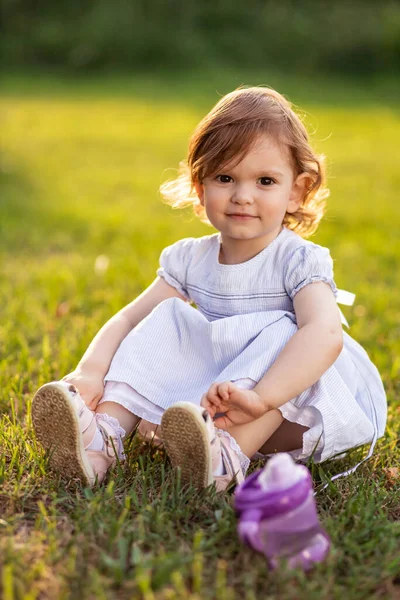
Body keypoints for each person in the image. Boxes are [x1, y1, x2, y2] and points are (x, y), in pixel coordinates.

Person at [31, 87, 387, 491]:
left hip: (292, 407)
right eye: (225, 177)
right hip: (216, 402)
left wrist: (262, 398)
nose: (242, 195)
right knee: (162, 316)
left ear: (296, 191)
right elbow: (131, 318)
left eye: (265, 181)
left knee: (288, 330)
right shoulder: (190, 260)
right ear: (200, 186)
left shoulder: (298, 261)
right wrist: (90, 372)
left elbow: (324, 336)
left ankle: (226, 458)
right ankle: (103, 437)